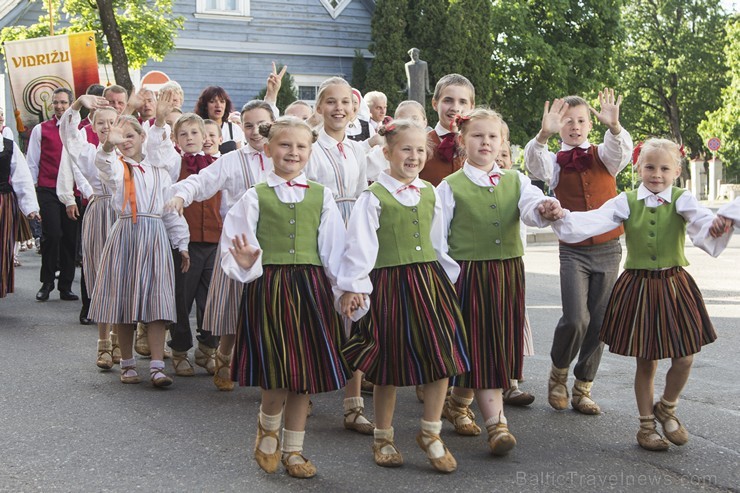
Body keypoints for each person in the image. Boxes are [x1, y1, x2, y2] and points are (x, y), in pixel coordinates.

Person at [552, 138, 728, 450]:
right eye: (649, 167)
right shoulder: (626, 201)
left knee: (685, 357)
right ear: (638, 168)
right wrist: (561, 215)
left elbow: (702, 221)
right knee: (646, 362)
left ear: (676, 171)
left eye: (663, 168)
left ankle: (667, 407)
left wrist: (715, 226)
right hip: (639, 286)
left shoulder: (681, 199)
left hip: (674, 285)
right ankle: (646, 426)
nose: (656, 174)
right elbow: (593, 221)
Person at [339, 119, 470, 473]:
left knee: (443, 356)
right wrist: (356, 287)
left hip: (429, 281)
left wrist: (448, 279)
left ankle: (430, 432)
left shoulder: (431, 191)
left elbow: (439, 241)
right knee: (389, 365)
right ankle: (383, 436)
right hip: (390, 286)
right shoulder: (373, 198)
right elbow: (359, 248)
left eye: (419, 150)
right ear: (387, 154)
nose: (413, 156)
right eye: (405, 149)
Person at [222, 116, 350, 479]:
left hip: (311, 290)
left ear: (310, 151)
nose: (293, 152)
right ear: (268, 148)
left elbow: (334, 250)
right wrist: (246, 262)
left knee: (304, 374)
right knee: (276, 371)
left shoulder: (322, 195)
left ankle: (294, 449)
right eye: (284, 145)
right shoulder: (254, 196)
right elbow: (234, 246)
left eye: (301, 146)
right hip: (271, 289)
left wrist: (344, 290)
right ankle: (267, 428)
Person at [436, 109, 562, 455]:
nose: (486, 142)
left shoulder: (515, 180)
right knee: (479, 345)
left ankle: (458, 404)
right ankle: (497, 425)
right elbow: (438, 240)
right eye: (477, 136)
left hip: (506, 274)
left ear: (503, 143)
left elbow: (531, 206)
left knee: (499, 344)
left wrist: (546, 207)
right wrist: (447, 281)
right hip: (468, 275)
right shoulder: (449, 187)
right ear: (462, 142)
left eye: (493, 137)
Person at [524, 88, 633, 415]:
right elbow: (535, 163)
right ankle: (558, 374)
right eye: (567, 121)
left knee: (599, 321)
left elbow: (622, 150)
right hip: (572, 250)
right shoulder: (555, 161)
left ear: (590, 124)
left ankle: (583, 387)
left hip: (609, 248)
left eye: (581, 120)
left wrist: (614, 127)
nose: (574, 126)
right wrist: (544, 134)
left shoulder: (605, 154)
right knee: (575, 318)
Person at [167, 100, 275, 390]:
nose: (255, 132)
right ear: (240, 127)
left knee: (273, 310)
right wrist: (181, 195)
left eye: (262, 125)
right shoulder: (232, 159)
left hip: (276, 244)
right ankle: (224, 356)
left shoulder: (285, 155)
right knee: (234, 307)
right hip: (240, 242)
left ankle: (279, 375)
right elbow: (202, 181)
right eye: (248, 125)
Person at [88, 95, 190, 388]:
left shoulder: (160, 170)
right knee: (124, 299)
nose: (126, 141)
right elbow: (104, 164)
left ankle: (158, 365)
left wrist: (181, 243)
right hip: (127, 235)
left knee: (157, 301)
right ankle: (128, 362)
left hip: (155, 235)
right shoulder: (118, 167)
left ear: (143, 136)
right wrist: (109, 144)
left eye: (131, 135)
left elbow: (169, 209)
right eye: (122, 138)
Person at [304, 77, 373, 434]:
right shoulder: (312, 148)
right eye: (330, 102)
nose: (338, 108)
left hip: (354, 230)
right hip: (323, 230)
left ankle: (353, 403)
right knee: (321, 312)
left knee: (356, 314)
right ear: (319, 108)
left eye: (345, 102)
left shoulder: (358, 150)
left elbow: (366, 191)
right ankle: (305, 387)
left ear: (354, 108)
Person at [58, 95, 120, 368]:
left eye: (111, 122)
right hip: (99, 211)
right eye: (101, 123)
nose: (107, 127)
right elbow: (68, 135)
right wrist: (78, 104)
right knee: (99, 275)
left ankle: (121, 339)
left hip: (124, 214)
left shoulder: (128, 151)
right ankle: (103, 343)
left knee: (122, 277)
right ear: (92, 127)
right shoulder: (88, 152)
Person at [158, 113, 221, 377]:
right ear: (176, 139)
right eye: (183, 134)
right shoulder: (173, 163)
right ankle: (180, 349)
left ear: (205, 136)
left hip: (215, 241)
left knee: (211, 300)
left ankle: (207, 348)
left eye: (195, 133)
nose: (190, 138)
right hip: (186, 242)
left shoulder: (217, 164)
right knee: (182, 298)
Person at [26, 87, 80, 302]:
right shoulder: (41, 129)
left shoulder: (79, 129)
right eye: (56, 102)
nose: (59, 106)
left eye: (63, 103)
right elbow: (32, 163)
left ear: (71, 105)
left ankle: (65, 286)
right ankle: (47, 282)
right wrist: (31, 197)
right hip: (48, 189)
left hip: (73, 192)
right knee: (53, 235)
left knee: (69, 238)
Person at [1, 119, 40, 298]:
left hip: (2, 203)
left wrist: (30, 207)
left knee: (1, 248)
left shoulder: (8, 146)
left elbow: (21, 176)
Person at [420, 74, 475, 186]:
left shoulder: (478, 145)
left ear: (472, 107)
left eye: (462, 102)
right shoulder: (420, 143)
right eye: (448, 101)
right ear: (435, 104)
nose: (455, 108)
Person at [366, 100, 427, 183]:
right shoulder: (382, 154)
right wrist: (368, 143)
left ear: (425, 122)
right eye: (403, 120)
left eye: (414, 119)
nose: (409, 124)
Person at [194, 86, 244, 154]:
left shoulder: (234, 129)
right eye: (212, 101)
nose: (218, 105)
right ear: (205, 106)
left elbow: (241, 155)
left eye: (222, 101)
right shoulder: (196, 128)